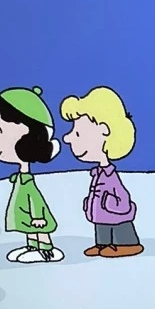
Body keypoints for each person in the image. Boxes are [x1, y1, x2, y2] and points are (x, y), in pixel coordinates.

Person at [0, 87, 63, 263]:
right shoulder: (21, 179)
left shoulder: (27, 182)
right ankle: (33, 246)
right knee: (30, 228)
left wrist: (38, 216)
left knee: (38, 228)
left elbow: (35, 199)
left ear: (27, 138)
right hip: (29, 212)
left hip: (36, 216)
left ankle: (46, 249)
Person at [61, 86, 143, 258]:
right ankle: (102, 244)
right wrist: (90, 204)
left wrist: (110, 205)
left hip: (116, 216)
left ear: (104, 131)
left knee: (120, 228)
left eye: (78, 133)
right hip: (101, 214)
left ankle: (127, 244)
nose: (67, 138)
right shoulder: (97, 173)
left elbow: (122, 196)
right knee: (102, 227)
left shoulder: (110, 175)